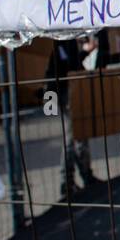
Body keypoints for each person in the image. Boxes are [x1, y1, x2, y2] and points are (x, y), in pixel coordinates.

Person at [45, 37, 98, 200]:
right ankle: (68, 183)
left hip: (58, 92)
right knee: (73, 138)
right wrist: (85, 51)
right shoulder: (60, 40)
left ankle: (80, 178)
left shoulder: (58, 41)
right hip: (62, 93)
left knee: (75, 136)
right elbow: (67, 66)